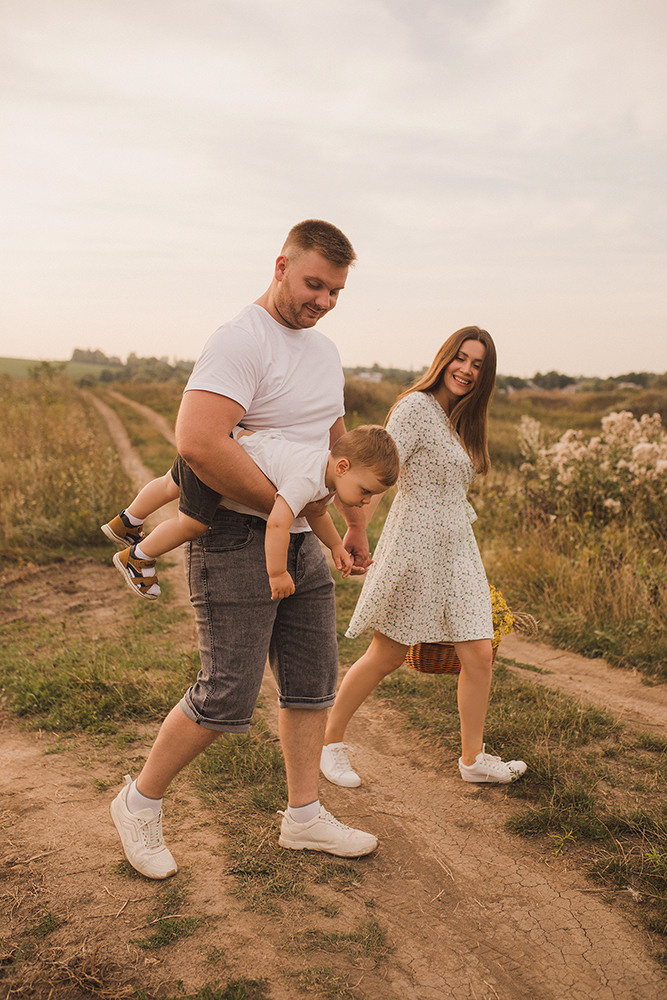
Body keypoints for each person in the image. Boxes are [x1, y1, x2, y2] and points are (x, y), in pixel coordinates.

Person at [110, 220, 385, 878]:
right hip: (236, 539)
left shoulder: (324, 352)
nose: (322, 299)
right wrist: (283, 507)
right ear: (281, 266)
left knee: (311, 683)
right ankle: (139, 803)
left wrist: (351, 526)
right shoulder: (241, 339)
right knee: (226, 694)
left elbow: (338, 445)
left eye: (335, 290)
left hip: (300, 542)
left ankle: (304, 817)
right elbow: (198, 442)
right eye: (313, 283)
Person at [320, 327, 528, 789]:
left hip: (458, 550)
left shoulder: (456, 420)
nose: (467, 370)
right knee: (386, 654)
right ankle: (328, 742)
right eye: (461, 358)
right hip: (415, 546)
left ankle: (473, 759)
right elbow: (377, 469)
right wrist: (355, 530)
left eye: (477, 365)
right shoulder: (415, 408)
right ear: (444, 358)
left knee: (479, 654)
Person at [102, 424, 398, 601]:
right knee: (192, 525)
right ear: (343, 467)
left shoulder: (326, 471)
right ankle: (138, 557)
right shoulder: (306, 479)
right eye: (365, 491)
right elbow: (279, 524)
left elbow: (316, 513)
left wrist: (335, 546)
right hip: (221, 457)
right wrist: (278, 572)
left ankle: (128, 520)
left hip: (229, 439)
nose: (367, 500)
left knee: (170, 484)